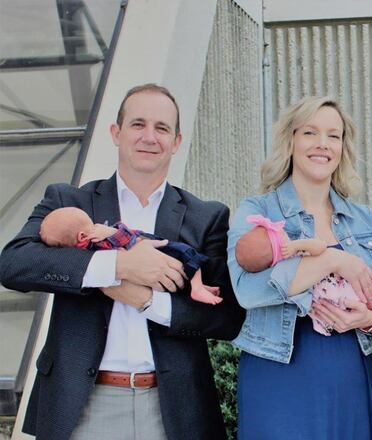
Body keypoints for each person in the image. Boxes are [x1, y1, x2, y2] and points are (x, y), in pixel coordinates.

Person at [0, 84, 246, 440]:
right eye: (138, 124)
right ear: (116, 133)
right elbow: (14, 264)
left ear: (176, 141)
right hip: (82, 404)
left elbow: (227, 317)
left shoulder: (206, 216)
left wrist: (148, 301)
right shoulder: (68, 201)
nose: (149, 137)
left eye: (162, 128)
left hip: (173, 407)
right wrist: (118, 267)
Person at [227, 96, 372, 439]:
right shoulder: (258, 210)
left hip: (350, 372)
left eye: (333, 136)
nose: (323, 144)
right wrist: (332, 260)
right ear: (290, 141)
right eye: (310, 132)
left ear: (342, 147)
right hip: (278, 373)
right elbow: (246, 291)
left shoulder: (363, 218)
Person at [235, 213, 372, 335]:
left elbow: (320, 249)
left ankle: (368, 304)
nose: (284, 232)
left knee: (351, 297)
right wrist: (298, 245)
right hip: (327, 300)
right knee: (341, 301)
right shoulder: (290, 262)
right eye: (280, 233)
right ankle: (362, 305)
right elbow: (320, 247)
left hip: (328, 294)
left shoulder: (287, 265)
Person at [39, 206, 223, 305]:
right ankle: (199, 287)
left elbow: (126, 234)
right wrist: (119, 264)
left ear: (81, 237)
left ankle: (198, 287)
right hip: (149, 280)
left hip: (158, 247)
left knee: (186, 255)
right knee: (179, 274)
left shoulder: (99, 235)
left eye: (59, 246)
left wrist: (109, 232)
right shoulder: (87, 250)